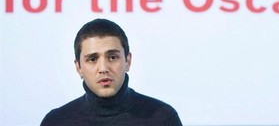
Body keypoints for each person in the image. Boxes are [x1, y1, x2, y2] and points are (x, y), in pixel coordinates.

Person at [41, 18, 182, 126]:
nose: (103, 68)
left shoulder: (162, 117)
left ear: (127, 61)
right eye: (92, 59)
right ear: (78, 67)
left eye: (113, 57)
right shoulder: (56, 121)